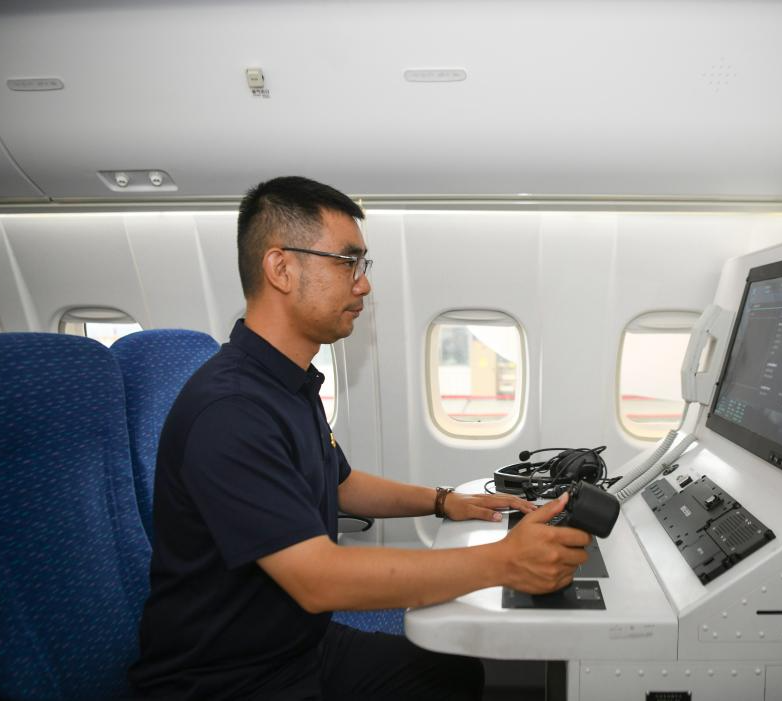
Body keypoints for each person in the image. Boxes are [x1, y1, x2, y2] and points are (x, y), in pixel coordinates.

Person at [129, 176, 591, 700]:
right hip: (225, 680)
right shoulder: (232, 411)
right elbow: (318, 580)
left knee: (452, 675)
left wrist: (444, 501)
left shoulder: (287, 383)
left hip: (294, 648)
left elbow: (340, 484)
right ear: (281, 268)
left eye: (362, 264)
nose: (364, 284)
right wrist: (503, 562)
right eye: (347, 262)